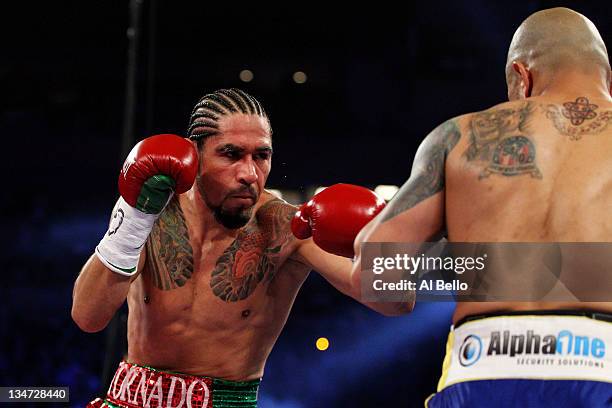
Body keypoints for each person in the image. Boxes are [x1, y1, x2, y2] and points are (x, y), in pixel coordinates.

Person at [72, 88, 408, 408]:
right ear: (195, 154)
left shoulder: (287, 229)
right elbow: (87, 317)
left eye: (261, 156)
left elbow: (397, 302)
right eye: (231, 154)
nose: (249, 173)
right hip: (127, 398)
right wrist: (133, 216)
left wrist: (378, 238)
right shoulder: (152, 210)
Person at [352, 8, 612, 407]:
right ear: (606, 77)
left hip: (481, 373)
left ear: (522, 77)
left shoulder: (460, 136)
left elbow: (376, 273)